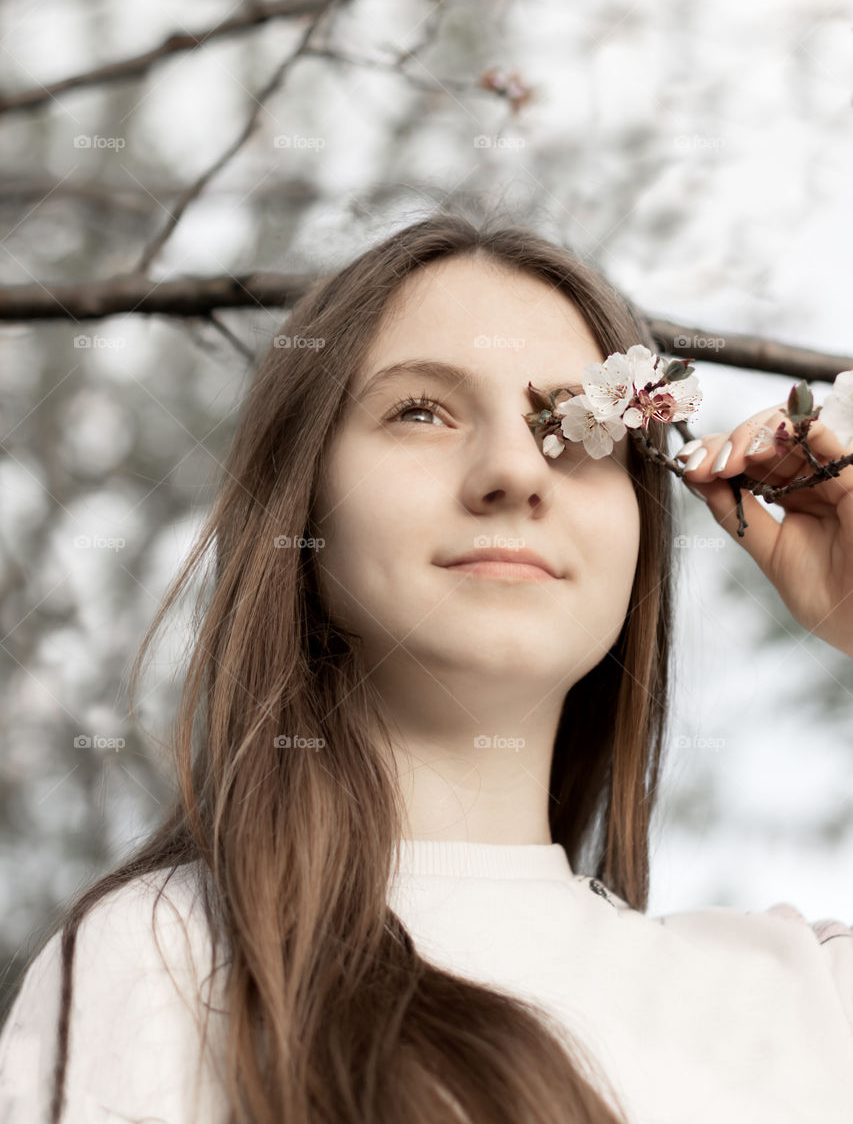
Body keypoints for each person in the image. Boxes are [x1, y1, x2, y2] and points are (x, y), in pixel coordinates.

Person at [1, 205, 851, 1124]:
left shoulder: (807, 999)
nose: (514, 472)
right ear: (302, 514)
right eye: (419, 410)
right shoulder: (167, 959)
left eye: (578, 427)